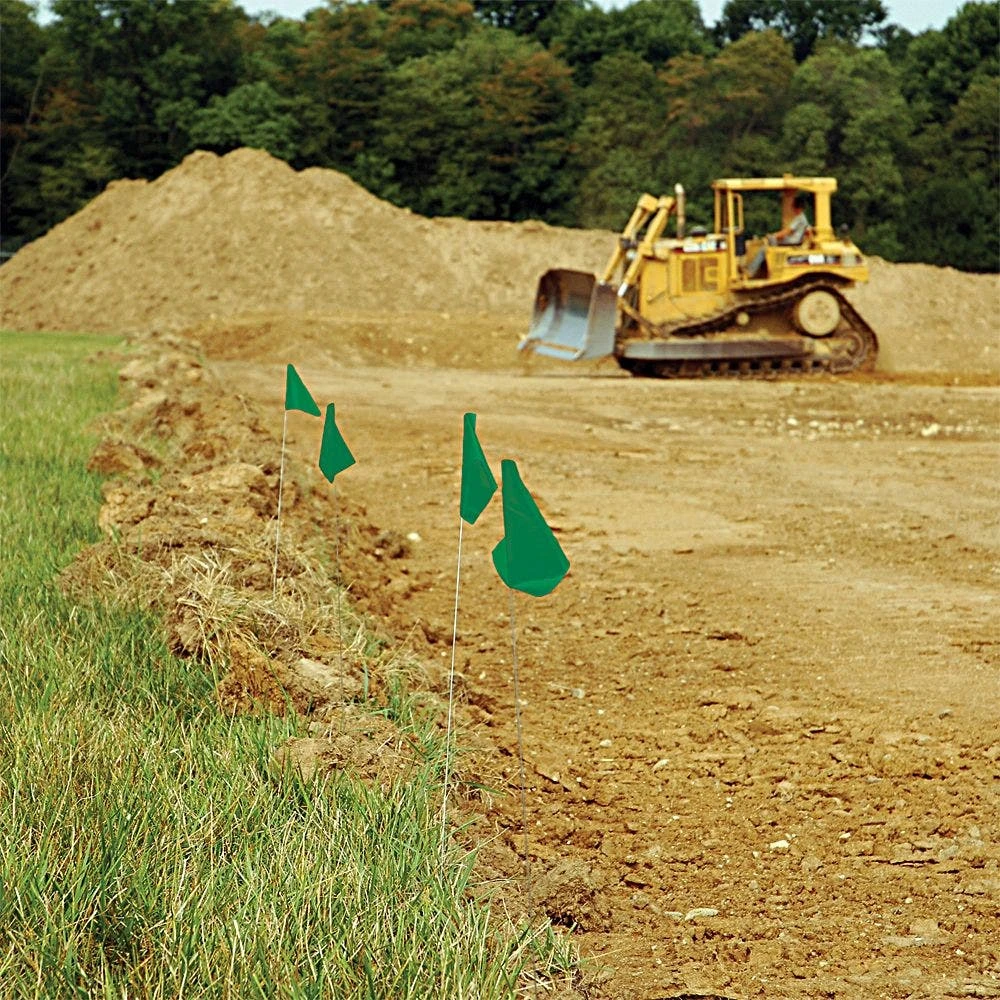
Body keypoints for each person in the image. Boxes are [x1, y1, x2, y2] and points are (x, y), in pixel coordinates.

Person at [746, 194, 811, 278]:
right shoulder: (801, 218)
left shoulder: (800, 218)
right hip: (792, 241)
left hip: (792, 242)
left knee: (764, 249)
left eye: (793, 207)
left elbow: (787, 231)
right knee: (769, 242)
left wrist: (774, 235)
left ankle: (750, 271)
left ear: (797, 207)